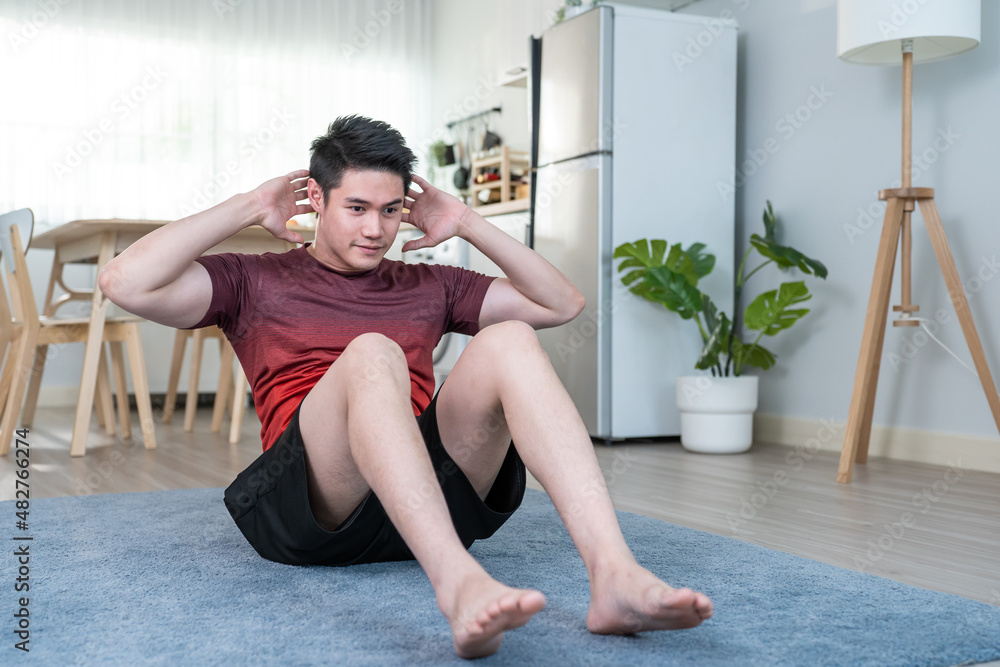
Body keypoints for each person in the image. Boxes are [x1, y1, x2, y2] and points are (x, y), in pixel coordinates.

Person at [99, 115, 713, 659]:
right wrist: (246, 205)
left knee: (513, 339)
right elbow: (125, 282)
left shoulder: (430, 284)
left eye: (390, 210)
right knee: (372, 353)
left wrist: (468, 222)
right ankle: (459, 585)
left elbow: (561, 303)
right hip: (316, 507)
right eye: (357, 208)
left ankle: (616, 577)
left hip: (427, 496)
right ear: (314, 198)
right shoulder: (252, 278)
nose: (376, 229)